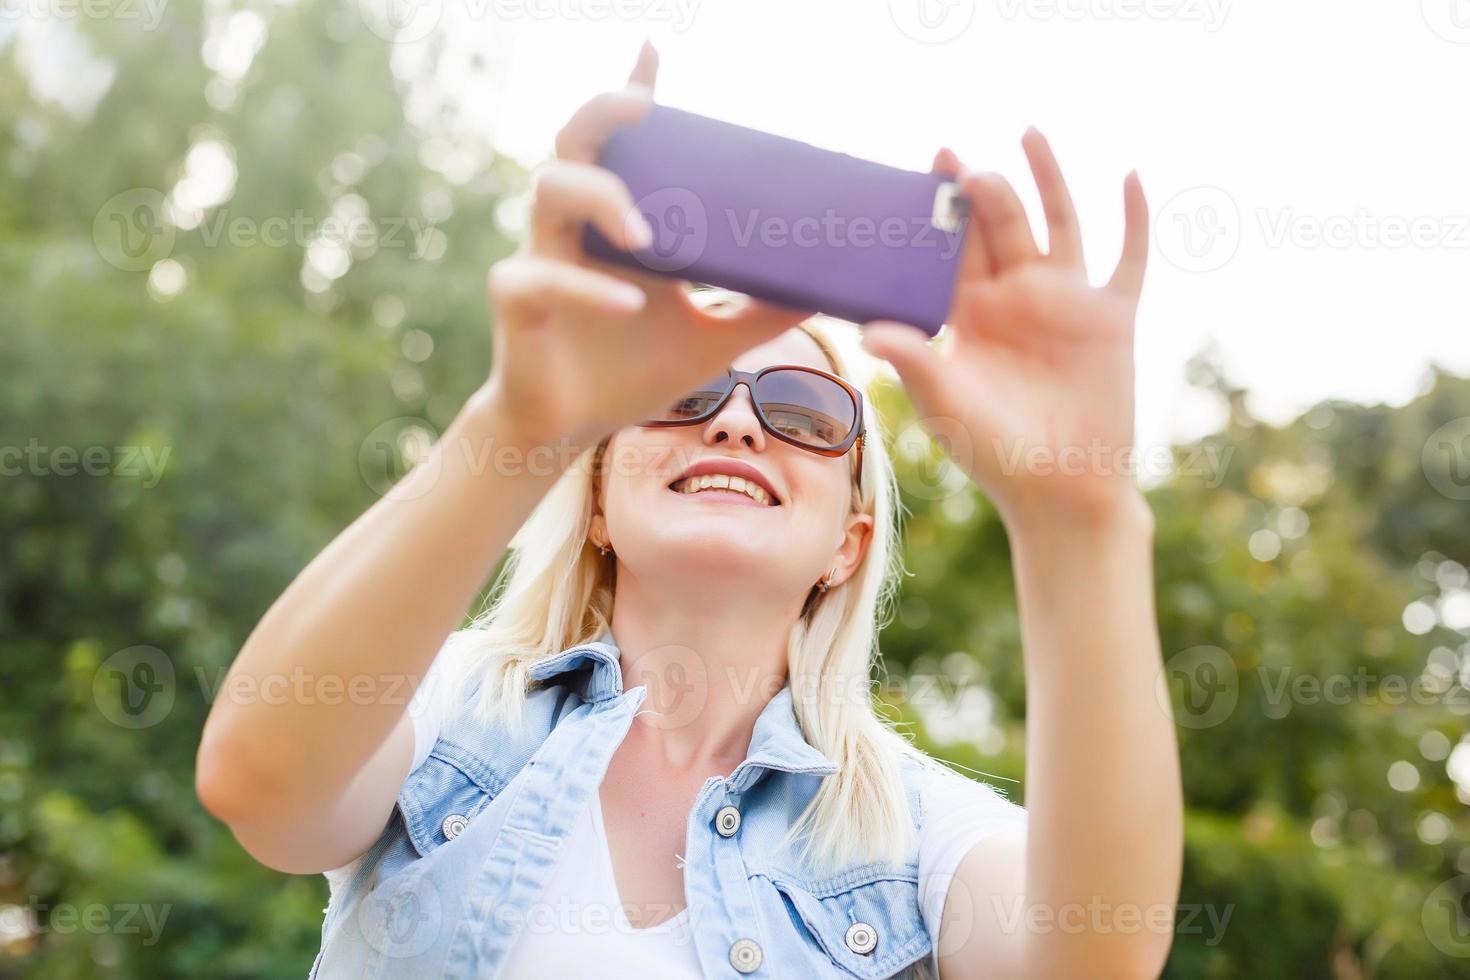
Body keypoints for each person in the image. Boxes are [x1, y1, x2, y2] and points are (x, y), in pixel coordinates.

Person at [196, 42, 1182, 980]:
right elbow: (259, 787)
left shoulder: (913, 829)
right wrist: (523, 421)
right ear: (595, 501)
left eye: (803, 410)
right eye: (682, 395)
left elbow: (1093, 958)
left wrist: (1080, 520)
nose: (740, 427)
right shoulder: (451, 702)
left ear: (849, 541)